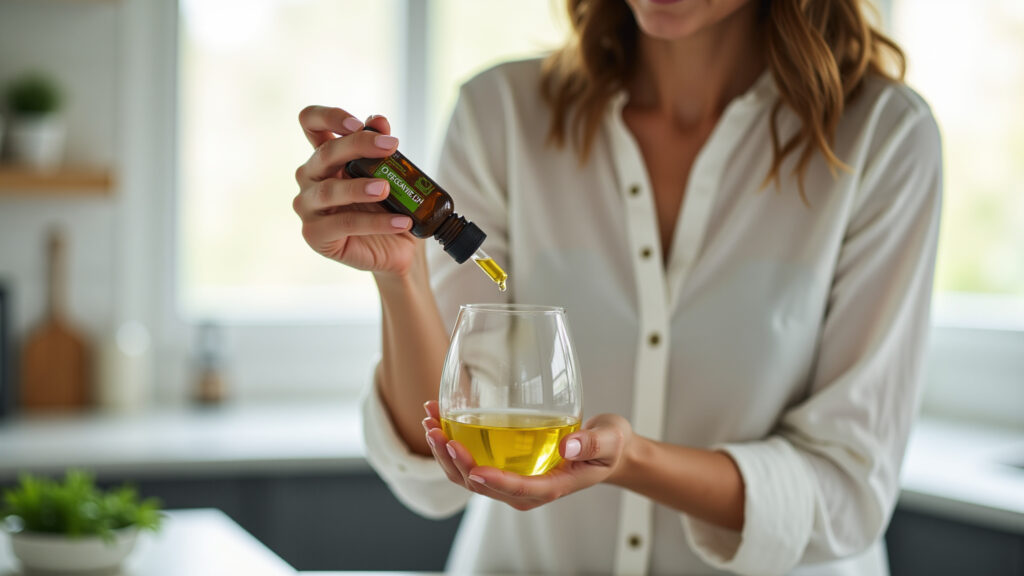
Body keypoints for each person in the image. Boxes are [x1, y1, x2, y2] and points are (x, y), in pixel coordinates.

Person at [292, 0, 942, 573]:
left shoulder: (883, 138)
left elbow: (846, 490)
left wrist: (634, 463)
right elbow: (440, 470)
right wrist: (400, 278)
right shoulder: (503, 115)